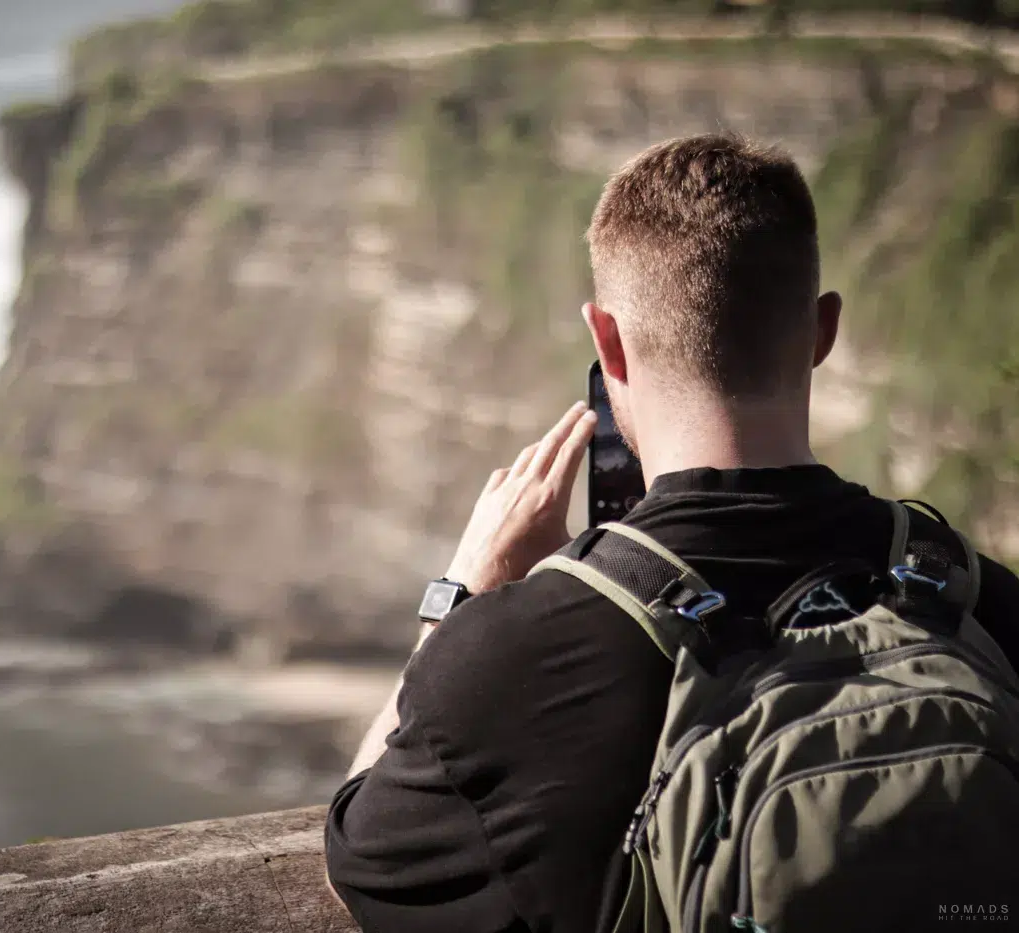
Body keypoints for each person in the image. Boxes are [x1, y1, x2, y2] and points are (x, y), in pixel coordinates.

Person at [322, 133, 1019, 933]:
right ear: (823, 331)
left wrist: (458, 601)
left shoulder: (510, 656)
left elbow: (362, 862)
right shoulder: (970, 595)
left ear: (606, 341)